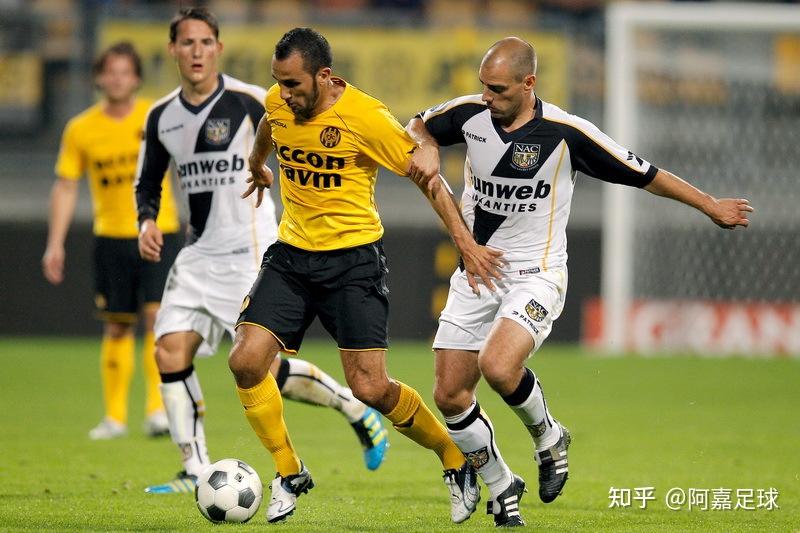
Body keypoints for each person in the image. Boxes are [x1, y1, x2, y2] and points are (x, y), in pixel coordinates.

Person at [406, 36, 753, 527]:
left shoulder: (567, 133)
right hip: (476, 270)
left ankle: (548, 437)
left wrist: (710, 205)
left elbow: (644, 172)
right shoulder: (468, 114)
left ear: (529, 83)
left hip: (536, 273)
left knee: (499, 366)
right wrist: (425, 146)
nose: (487, 96)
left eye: (498, 89)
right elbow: (418, 124)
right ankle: (503, 485)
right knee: (449, 396)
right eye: (484, 86)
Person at [229, 27, 505, 524]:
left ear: (324, 76)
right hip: (291, 256)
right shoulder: (279, 102)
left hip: (353, 263)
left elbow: (429, 179)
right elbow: (270, 123)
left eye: (292, 84)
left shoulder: (366, 117)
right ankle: (289, 471)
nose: (283, 94)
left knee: (371, 388)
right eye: (278, 82)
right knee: (246, 361)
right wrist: (256, 164)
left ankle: (453, 457)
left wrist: (465, 243)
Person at [135, 8, 389, 495]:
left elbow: (291, 135)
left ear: (218, 48)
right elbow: (148, 181)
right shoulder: (161, 115)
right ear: (172, 50)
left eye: (205, 42)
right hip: (197, 252)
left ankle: (354, 407)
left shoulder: (254, 99)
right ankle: (193, 469)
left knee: (261, 365)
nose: (196, 52)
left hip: (249, 251)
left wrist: (267, 169)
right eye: (187, 42)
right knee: (168, 349)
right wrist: (146, 219)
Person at [43, 42, 179, 441]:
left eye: (125, 72)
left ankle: (157, 411)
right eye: (110, 72)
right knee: (118, 326)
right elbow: (66, 186)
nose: (117, 79)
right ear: (99, 78)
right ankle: (115, 417)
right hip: (111, 238)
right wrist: (55, 243)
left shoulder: (156, 116)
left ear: (136, 79)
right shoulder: (81, 128)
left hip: (159, 231)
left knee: (158, 320)